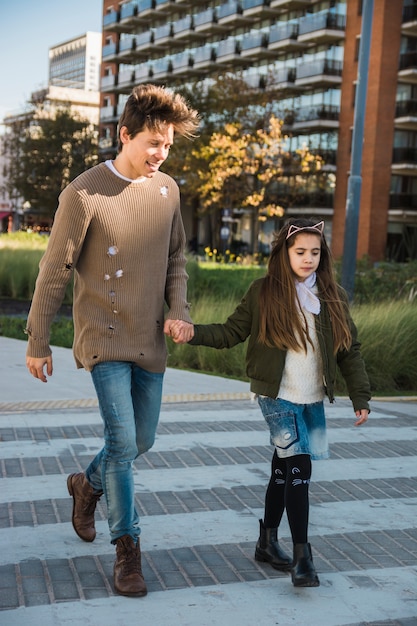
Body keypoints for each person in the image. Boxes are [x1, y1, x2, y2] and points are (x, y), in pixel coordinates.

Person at [25, 84, 199, 597]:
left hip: (149, 340)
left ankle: (87, 485)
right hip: (102, 337)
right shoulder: (83, 193)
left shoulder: (168, 191)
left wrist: (180, 311)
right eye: (152, 142)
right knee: (123, 443)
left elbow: (176, 262)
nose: (160, 154)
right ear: (124, 134)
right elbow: (54, 270)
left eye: (167, 145)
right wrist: (38, 340)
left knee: (141, 441)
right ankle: (128, 550)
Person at [168, 218, 371, 588]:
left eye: (314, 252)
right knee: (298, 469)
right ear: (284, 254)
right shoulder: (264, 292)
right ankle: (302, 559)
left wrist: (361, 395)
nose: (308, 259)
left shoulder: (332, 296)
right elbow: (231, 332)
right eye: (300, 252)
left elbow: (348, 350)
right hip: (275, 396)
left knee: (282, 469)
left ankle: (266, 541)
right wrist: (192, 332)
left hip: (310, 400)